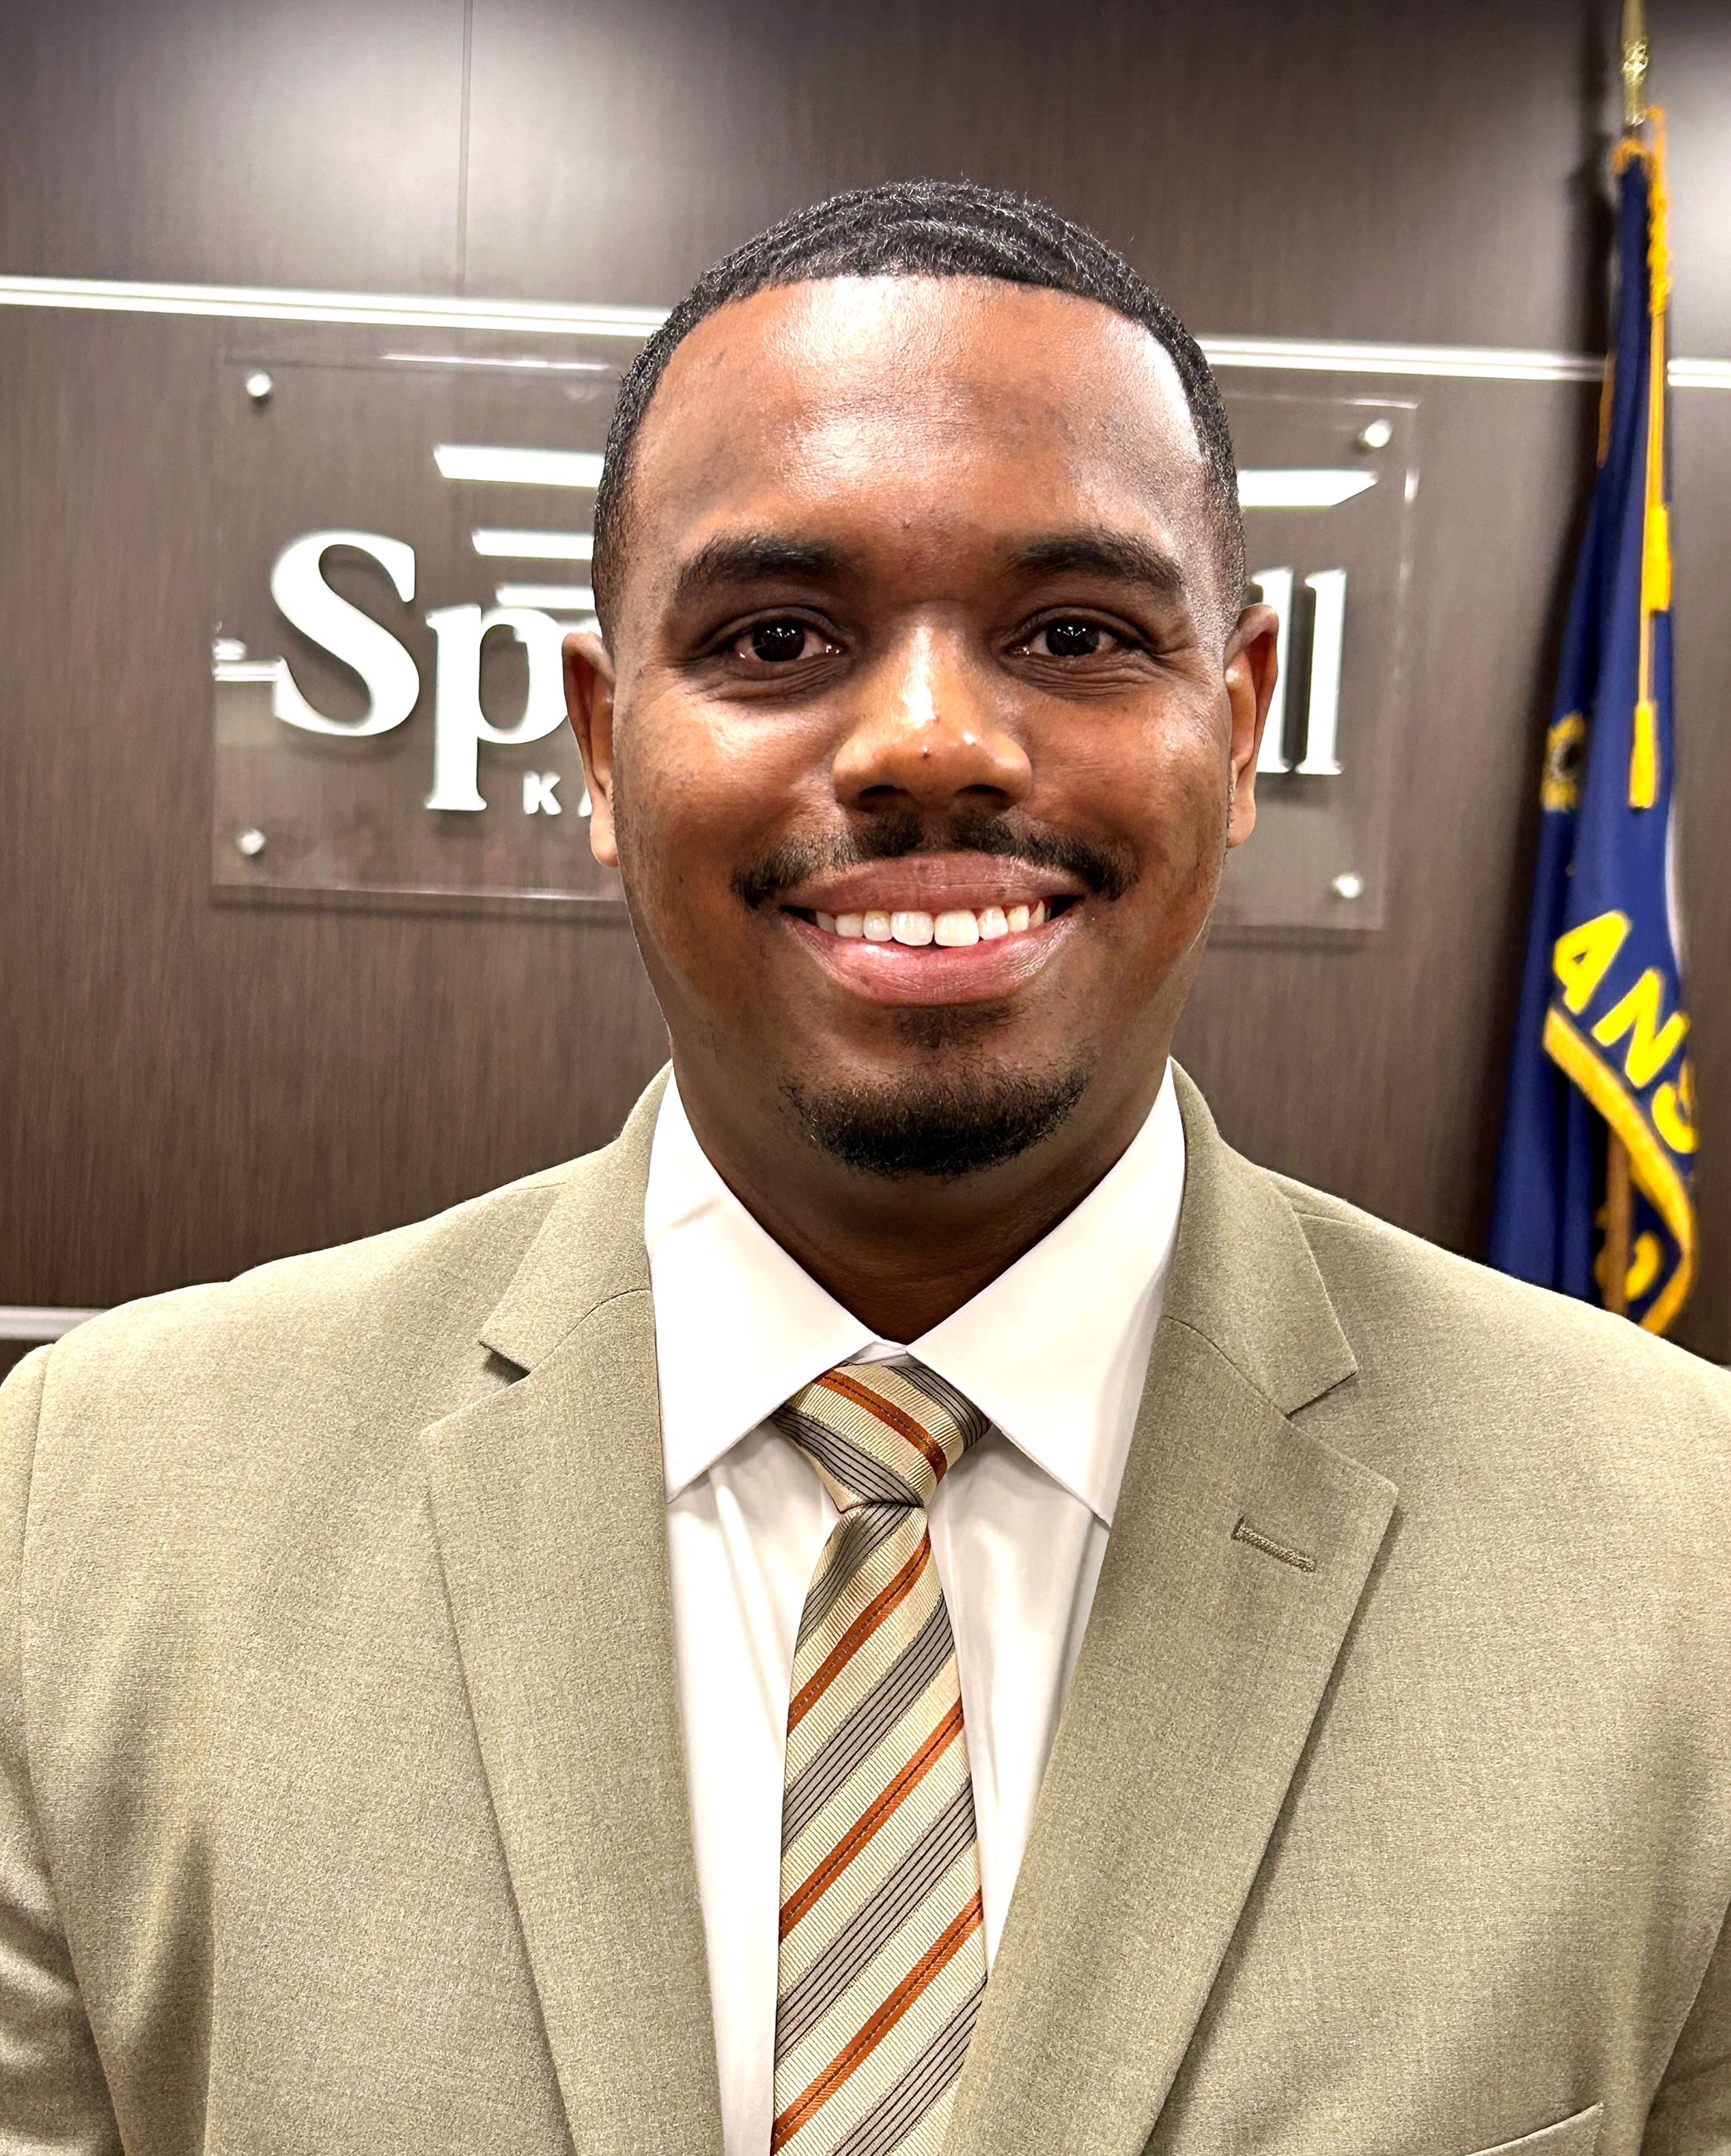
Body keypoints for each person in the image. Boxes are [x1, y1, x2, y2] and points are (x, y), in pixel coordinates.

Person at [2, 180, 1727, 2156]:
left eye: (1074, 631)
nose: (928, 739)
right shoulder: (99, 1518)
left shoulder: (1687, 1556)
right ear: (597, 739)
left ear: (1239, 726)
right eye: (776, 635)